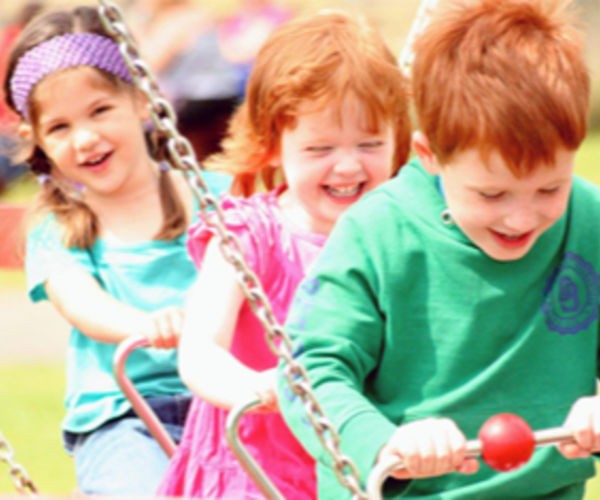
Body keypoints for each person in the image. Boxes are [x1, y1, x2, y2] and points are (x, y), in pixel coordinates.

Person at [277, 0, 600, 498]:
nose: (521, 216)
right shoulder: (377, 232)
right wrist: (385, 442)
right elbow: (309, 372)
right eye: (491, 194)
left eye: (549, 188)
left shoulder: (589, 217)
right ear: (430, 156)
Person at [157, 10, 412, 499]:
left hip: (352, 463)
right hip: (253, 468)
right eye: (320, 148)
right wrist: (257, 389)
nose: (347, 165)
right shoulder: (249, 235)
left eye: (369, 142)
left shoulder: (400, 234)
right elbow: (200, 350)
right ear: (273, 145)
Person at [3, 5, 230, 496]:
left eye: (100, 111)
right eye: (60, 128)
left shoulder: (216, 195)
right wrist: (145, 324)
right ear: (36, 139)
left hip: (224, 396)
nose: (85, 138)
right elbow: (80, 302)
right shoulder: (61, 226)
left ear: (143, 101)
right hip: (124, 414)